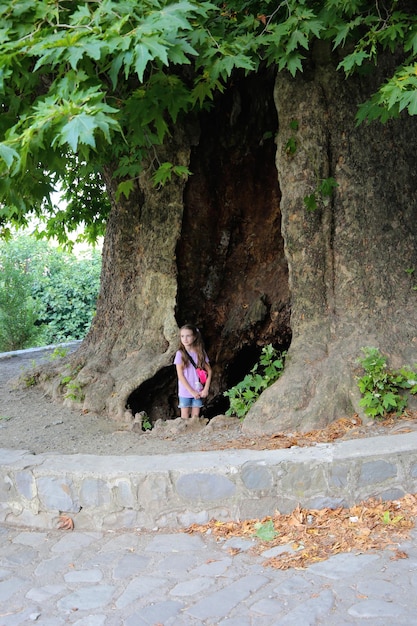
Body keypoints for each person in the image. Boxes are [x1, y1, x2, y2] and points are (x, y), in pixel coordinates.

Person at [174, 324, 212, 419]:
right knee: (185, 415)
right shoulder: (180, 354)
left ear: (194, 337)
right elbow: (180, 375)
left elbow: (209, 370)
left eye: (188, 336)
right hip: (185, 390)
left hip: (198, 390)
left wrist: (206, 388)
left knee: (196, 416)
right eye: (182, 336)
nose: (185, 339)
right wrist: (191, 391)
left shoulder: (200, 352)